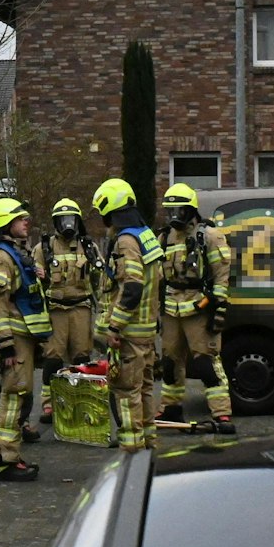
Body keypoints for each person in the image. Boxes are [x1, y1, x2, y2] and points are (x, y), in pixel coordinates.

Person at [0, 198, 51, 480]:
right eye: (19, 218)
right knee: (13, 396)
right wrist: (6, 345)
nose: (25, 222)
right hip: (14, 340)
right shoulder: (0, 257)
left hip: (22, 337)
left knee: (16, 395)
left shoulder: (13, 254)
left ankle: (6, 455)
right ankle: (6, 459)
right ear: (5, 224)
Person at [90, 178, 164, 453]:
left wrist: (114, 327)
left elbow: (132, 286)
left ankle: (131, 454)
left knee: (125, 394)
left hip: (130, 333)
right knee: (144, 391)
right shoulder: (146, 234)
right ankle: (148, 449)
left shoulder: (126, 241)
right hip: (146, 330)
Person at [155, 184, 236, 432]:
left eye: (178, 210)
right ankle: (171, 408)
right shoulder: (164, 237)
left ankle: (221, 413)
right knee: (170, 363)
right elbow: (159, 276)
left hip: (199, 308)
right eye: (169, 211)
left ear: (190, 210)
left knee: (206, 364)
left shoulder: (210, 236)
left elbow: (222, 276)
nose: (173, 216)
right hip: (171, 309)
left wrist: (217, 307)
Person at [36, 198, 99, 423]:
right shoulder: (44, 248)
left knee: (82, 358)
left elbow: (100, 278)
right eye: (63, 220)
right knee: (52, 358)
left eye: (71, 219)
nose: (67, 224)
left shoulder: (89, 246)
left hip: (81, 307)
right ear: (56, 222)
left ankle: (79, 403)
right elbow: (34, 281)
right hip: (55, 310)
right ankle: (49, 404)